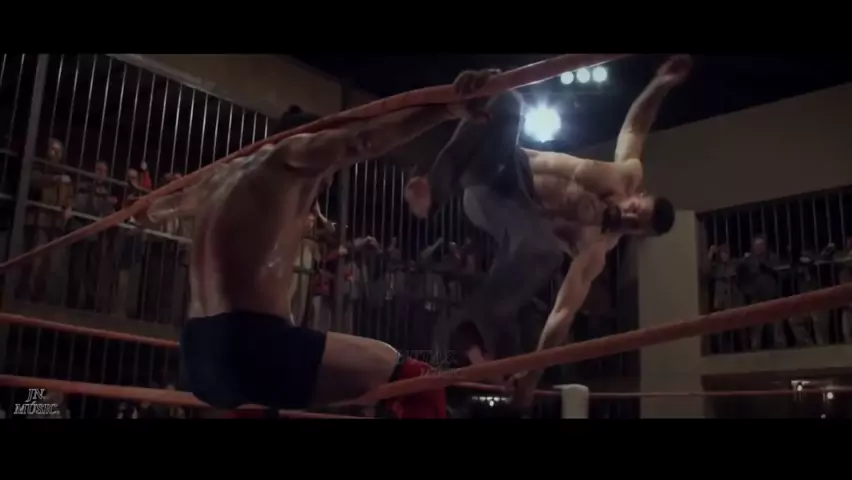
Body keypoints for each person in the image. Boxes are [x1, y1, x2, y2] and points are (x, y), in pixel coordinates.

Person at [140, 71, 494, 419]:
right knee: (418, 380)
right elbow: (363, 140)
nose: (329, 179)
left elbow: (156, 209)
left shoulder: (219, 178)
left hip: (197, 355)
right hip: (250, 346)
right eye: (328, 168)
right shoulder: (289, 155)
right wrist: (448, 108)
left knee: (262, 398)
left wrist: (145, 207)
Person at [405, 56, 691, 406]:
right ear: (639, 195)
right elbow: (636, 128)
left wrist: (533, 374)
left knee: (545, 252)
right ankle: (433, 188)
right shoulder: (624, 174)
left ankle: (469, 334)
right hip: (502, 162)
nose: (628, 218)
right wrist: (660, 85)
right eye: (635, 211)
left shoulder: (595, 248)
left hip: (499, 205)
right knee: (510, 99)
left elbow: (563, 312)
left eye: (634, 226)